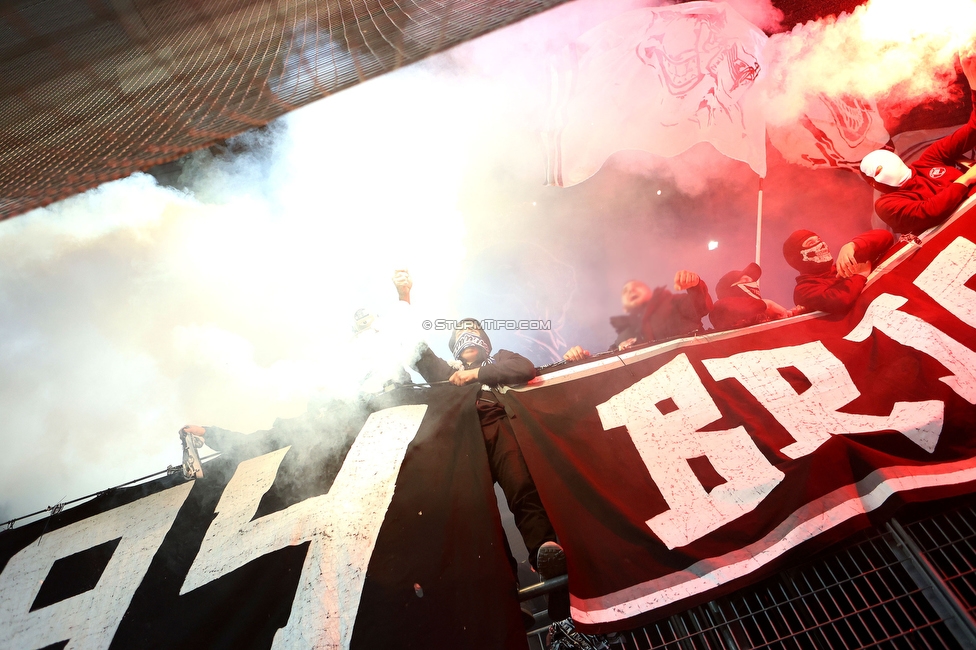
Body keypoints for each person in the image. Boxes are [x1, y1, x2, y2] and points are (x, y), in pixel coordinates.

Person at [394, 272, 570, 621]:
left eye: (473, 333)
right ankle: (505, 595)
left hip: (502, 428)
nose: (467, 339)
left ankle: (544, 552)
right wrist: (404, 298)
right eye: (460, 335)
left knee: (522, 487)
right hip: (465, 443)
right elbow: (415, 351)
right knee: (477, 515)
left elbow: (524, 368)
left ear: (485, 342)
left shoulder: (499, 360)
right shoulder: (446, 371)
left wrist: (475, 376)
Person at [858, 52, 976, 234]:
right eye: (877, 170)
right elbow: (929, 212)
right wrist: (966, 179)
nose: (884, 165)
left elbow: (973, 130)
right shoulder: (887, 205)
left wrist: (974, 84)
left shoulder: (930, 158)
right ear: (873, 184)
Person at [563, 270, 712, 362]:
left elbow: (702, 307)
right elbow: (609, 371)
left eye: (637, 287)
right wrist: (580, 359)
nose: (631, 291)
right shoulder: (622, 338)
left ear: (650, 292)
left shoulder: (673, 304)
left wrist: (695, 285)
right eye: (625, 291)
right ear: (624, 306)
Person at [783, 229, 894, 315]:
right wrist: (859, 276)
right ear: (798, 256)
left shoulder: (843, 265)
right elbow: (838, 301)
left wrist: (851, 246)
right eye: (811, 243)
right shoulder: (803, 290)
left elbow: (886, 236)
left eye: (819, 240)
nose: (821, 244)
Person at [709, 262, 798, 331]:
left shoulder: (761, 313)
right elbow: (733, 308)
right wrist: (767, 304)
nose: (753, 284)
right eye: (745, 280)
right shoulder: (720, 307)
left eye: (753, 281)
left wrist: (791, 315)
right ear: (730, 288)